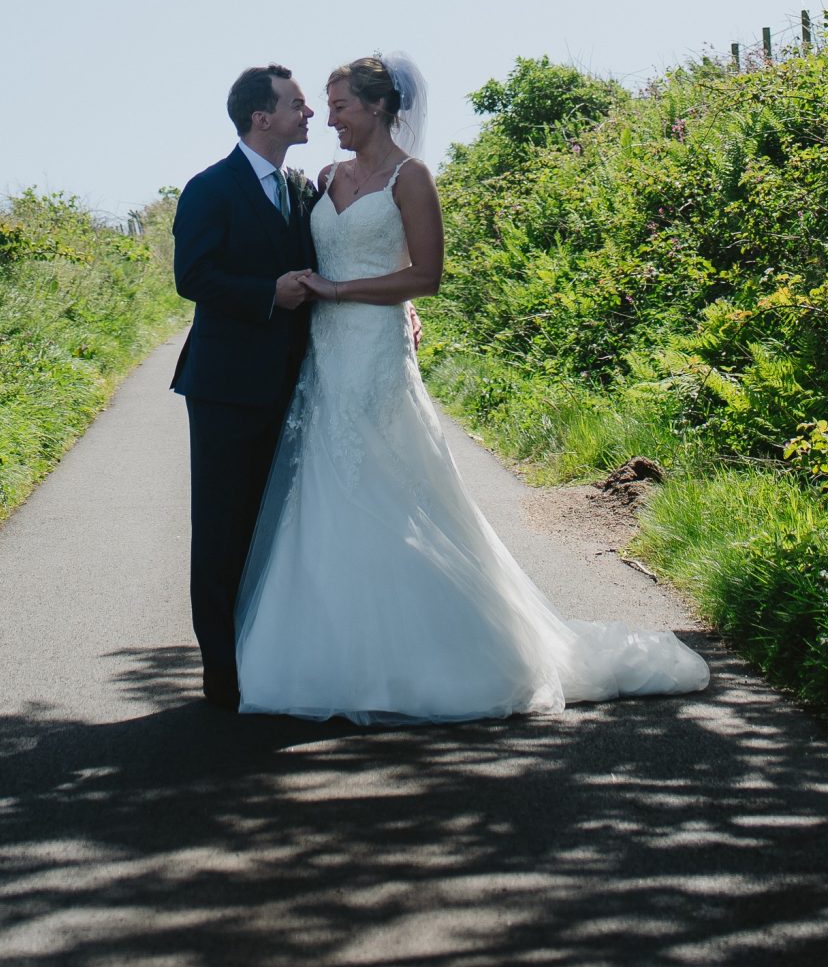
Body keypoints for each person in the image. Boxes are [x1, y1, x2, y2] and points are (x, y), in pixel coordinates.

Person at [235, 52, 710, 722]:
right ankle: (335, 652)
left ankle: (435, 655)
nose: (327, 116)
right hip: (327, 356)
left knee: (389, 485)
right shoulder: (324, 176)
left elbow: (425, 275)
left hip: (374, 353)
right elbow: (311, 258)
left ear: (376, 107)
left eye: (339, 104)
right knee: (326, 488)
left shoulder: (411, 178)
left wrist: (352, 292)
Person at [171, 64, 318, 709]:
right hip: (226, 386)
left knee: (281, 526)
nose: (308, 115)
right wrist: (268, 295)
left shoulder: (304, 190)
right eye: (297, 105)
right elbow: (193, 276)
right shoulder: (209, 188)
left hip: (298, 384)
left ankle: (271, 655)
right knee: (223, 527)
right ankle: (221, 672)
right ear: (263, 116)